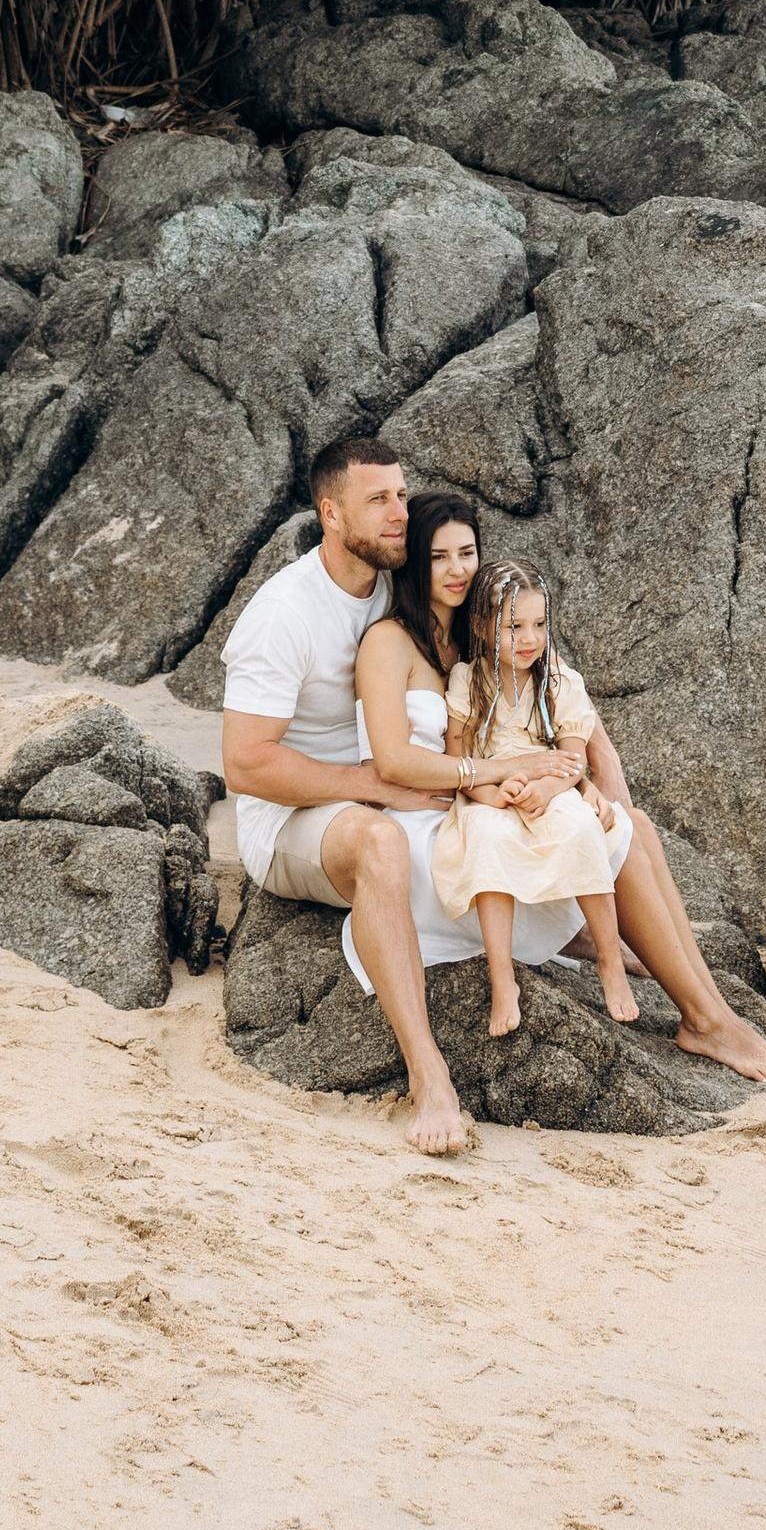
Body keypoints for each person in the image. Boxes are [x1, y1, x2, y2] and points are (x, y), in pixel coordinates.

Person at [353, 489, 766, 1087]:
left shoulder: (497, 634)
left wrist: (593, 789)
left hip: (506, 801)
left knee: (633, 829)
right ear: (413, 564)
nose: (458, 570)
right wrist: (509, 773)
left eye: (468, 553)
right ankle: (700, 1014)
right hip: (437, 825)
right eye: (438, 557)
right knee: (617, 839)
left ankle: (708, 1007)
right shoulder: (391, 641)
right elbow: (394, 763)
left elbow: (577, 730)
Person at [220, 434, 549, 1157]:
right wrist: (372, 787)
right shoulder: (285, 615)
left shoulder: (391, 591)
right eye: (379, 501)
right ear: (330, 513)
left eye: (401, 494)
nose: (400, 513)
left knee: (514, 833)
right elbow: (245, 765)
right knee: (382, 841)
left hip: (392, 790)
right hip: (292, 821)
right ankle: (429, 1076)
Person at [435, 556, 634, 1036]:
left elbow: (573, 759)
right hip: (487, 790)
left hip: (550, 784)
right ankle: (502, 977)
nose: (530, 639)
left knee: (580, 826)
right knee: (486, 840)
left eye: (540, 624)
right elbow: (456, 755)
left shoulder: (558, 681)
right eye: (514, 626)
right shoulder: (468, 680)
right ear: (482, 627)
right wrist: (493, 794)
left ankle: (610, 959)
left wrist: (545, 790)